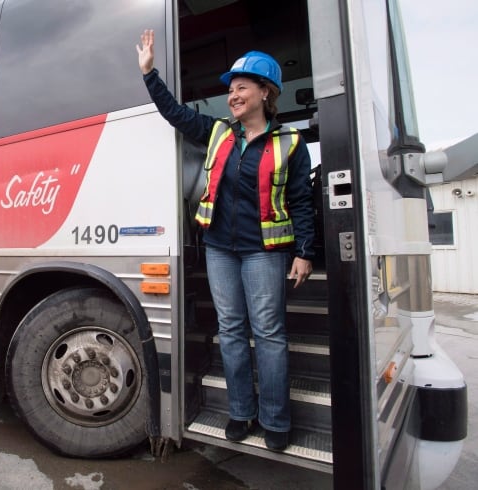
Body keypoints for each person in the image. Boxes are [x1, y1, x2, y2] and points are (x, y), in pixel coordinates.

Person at [136, 30, 315, 451]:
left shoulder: (290, 143)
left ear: (265, 92)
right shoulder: (218, 132)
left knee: (268, 334)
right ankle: (240, 413)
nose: (232, 95)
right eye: (231, 89)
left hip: (264, 253)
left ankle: (275, 419)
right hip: (219, 250)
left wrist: (305, 253)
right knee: (232, 331)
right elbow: (176, 114)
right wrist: (150, 74)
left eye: (241, 88)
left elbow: (302, 201)